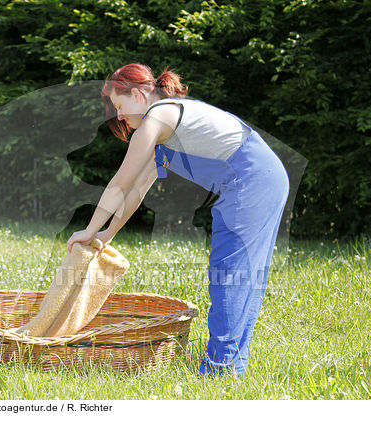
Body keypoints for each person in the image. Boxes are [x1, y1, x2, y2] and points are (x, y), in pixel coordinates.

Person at [67, 63, 289, 376]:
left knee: (231, 274)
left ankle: (220, 370)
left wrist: (88, 230)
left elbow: (119, 184)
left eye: (119, 105)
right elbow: (136, 191)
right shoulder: (162, 130)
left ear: (139, 93)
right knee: (245, 277)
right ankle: (232, 367)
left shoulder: (157, 117)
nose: (117, 116)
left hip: (251, 178)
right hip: (265, 176)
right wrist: (107, 233)